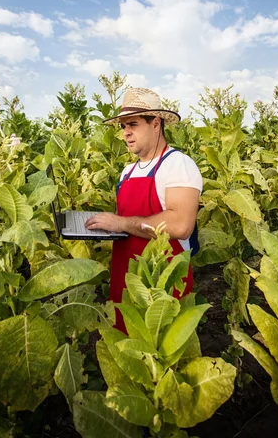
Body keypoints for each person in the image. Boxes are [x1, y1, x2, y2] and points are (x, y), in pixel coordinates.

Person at [85, 87, 203, 332]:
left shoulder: (178, 165)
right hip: (126, 279)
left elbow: (181, 225)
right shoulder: (127, 172)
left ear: (156, 124)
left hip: (162, 286)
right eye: (123, 126)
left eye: (133, 124)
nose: (126, 132)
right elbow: (128, 223)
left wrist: (119, 223)